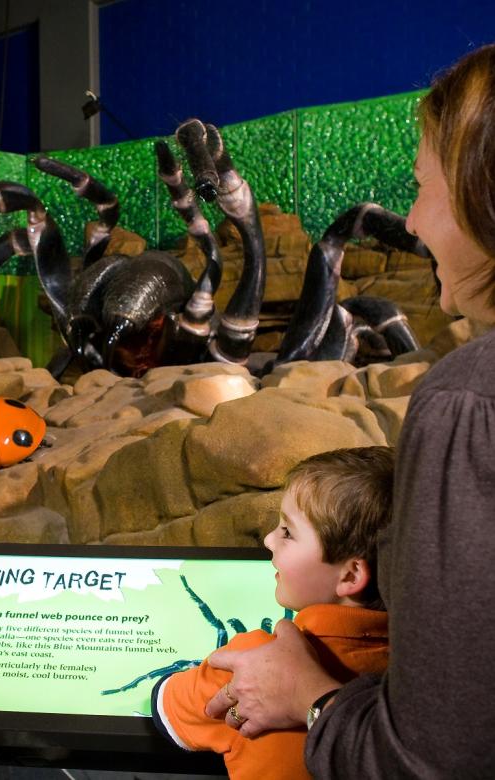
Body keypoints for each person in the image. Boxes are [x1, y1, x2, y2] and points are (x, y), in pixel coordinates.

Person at [204, 43, 495, 778]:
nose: (414, 220)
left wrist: (314, 699)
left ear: (479, 196)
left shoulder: (466, 401)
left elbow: (435, 757)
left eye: (423, 187)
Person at [151, 447, 394, 780]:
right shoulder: (427, 666)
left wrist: (206, 672)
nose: (268, 539)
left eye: (287, 532)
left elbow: (164, 704)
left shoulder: (251, 659)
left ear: (350, 576)